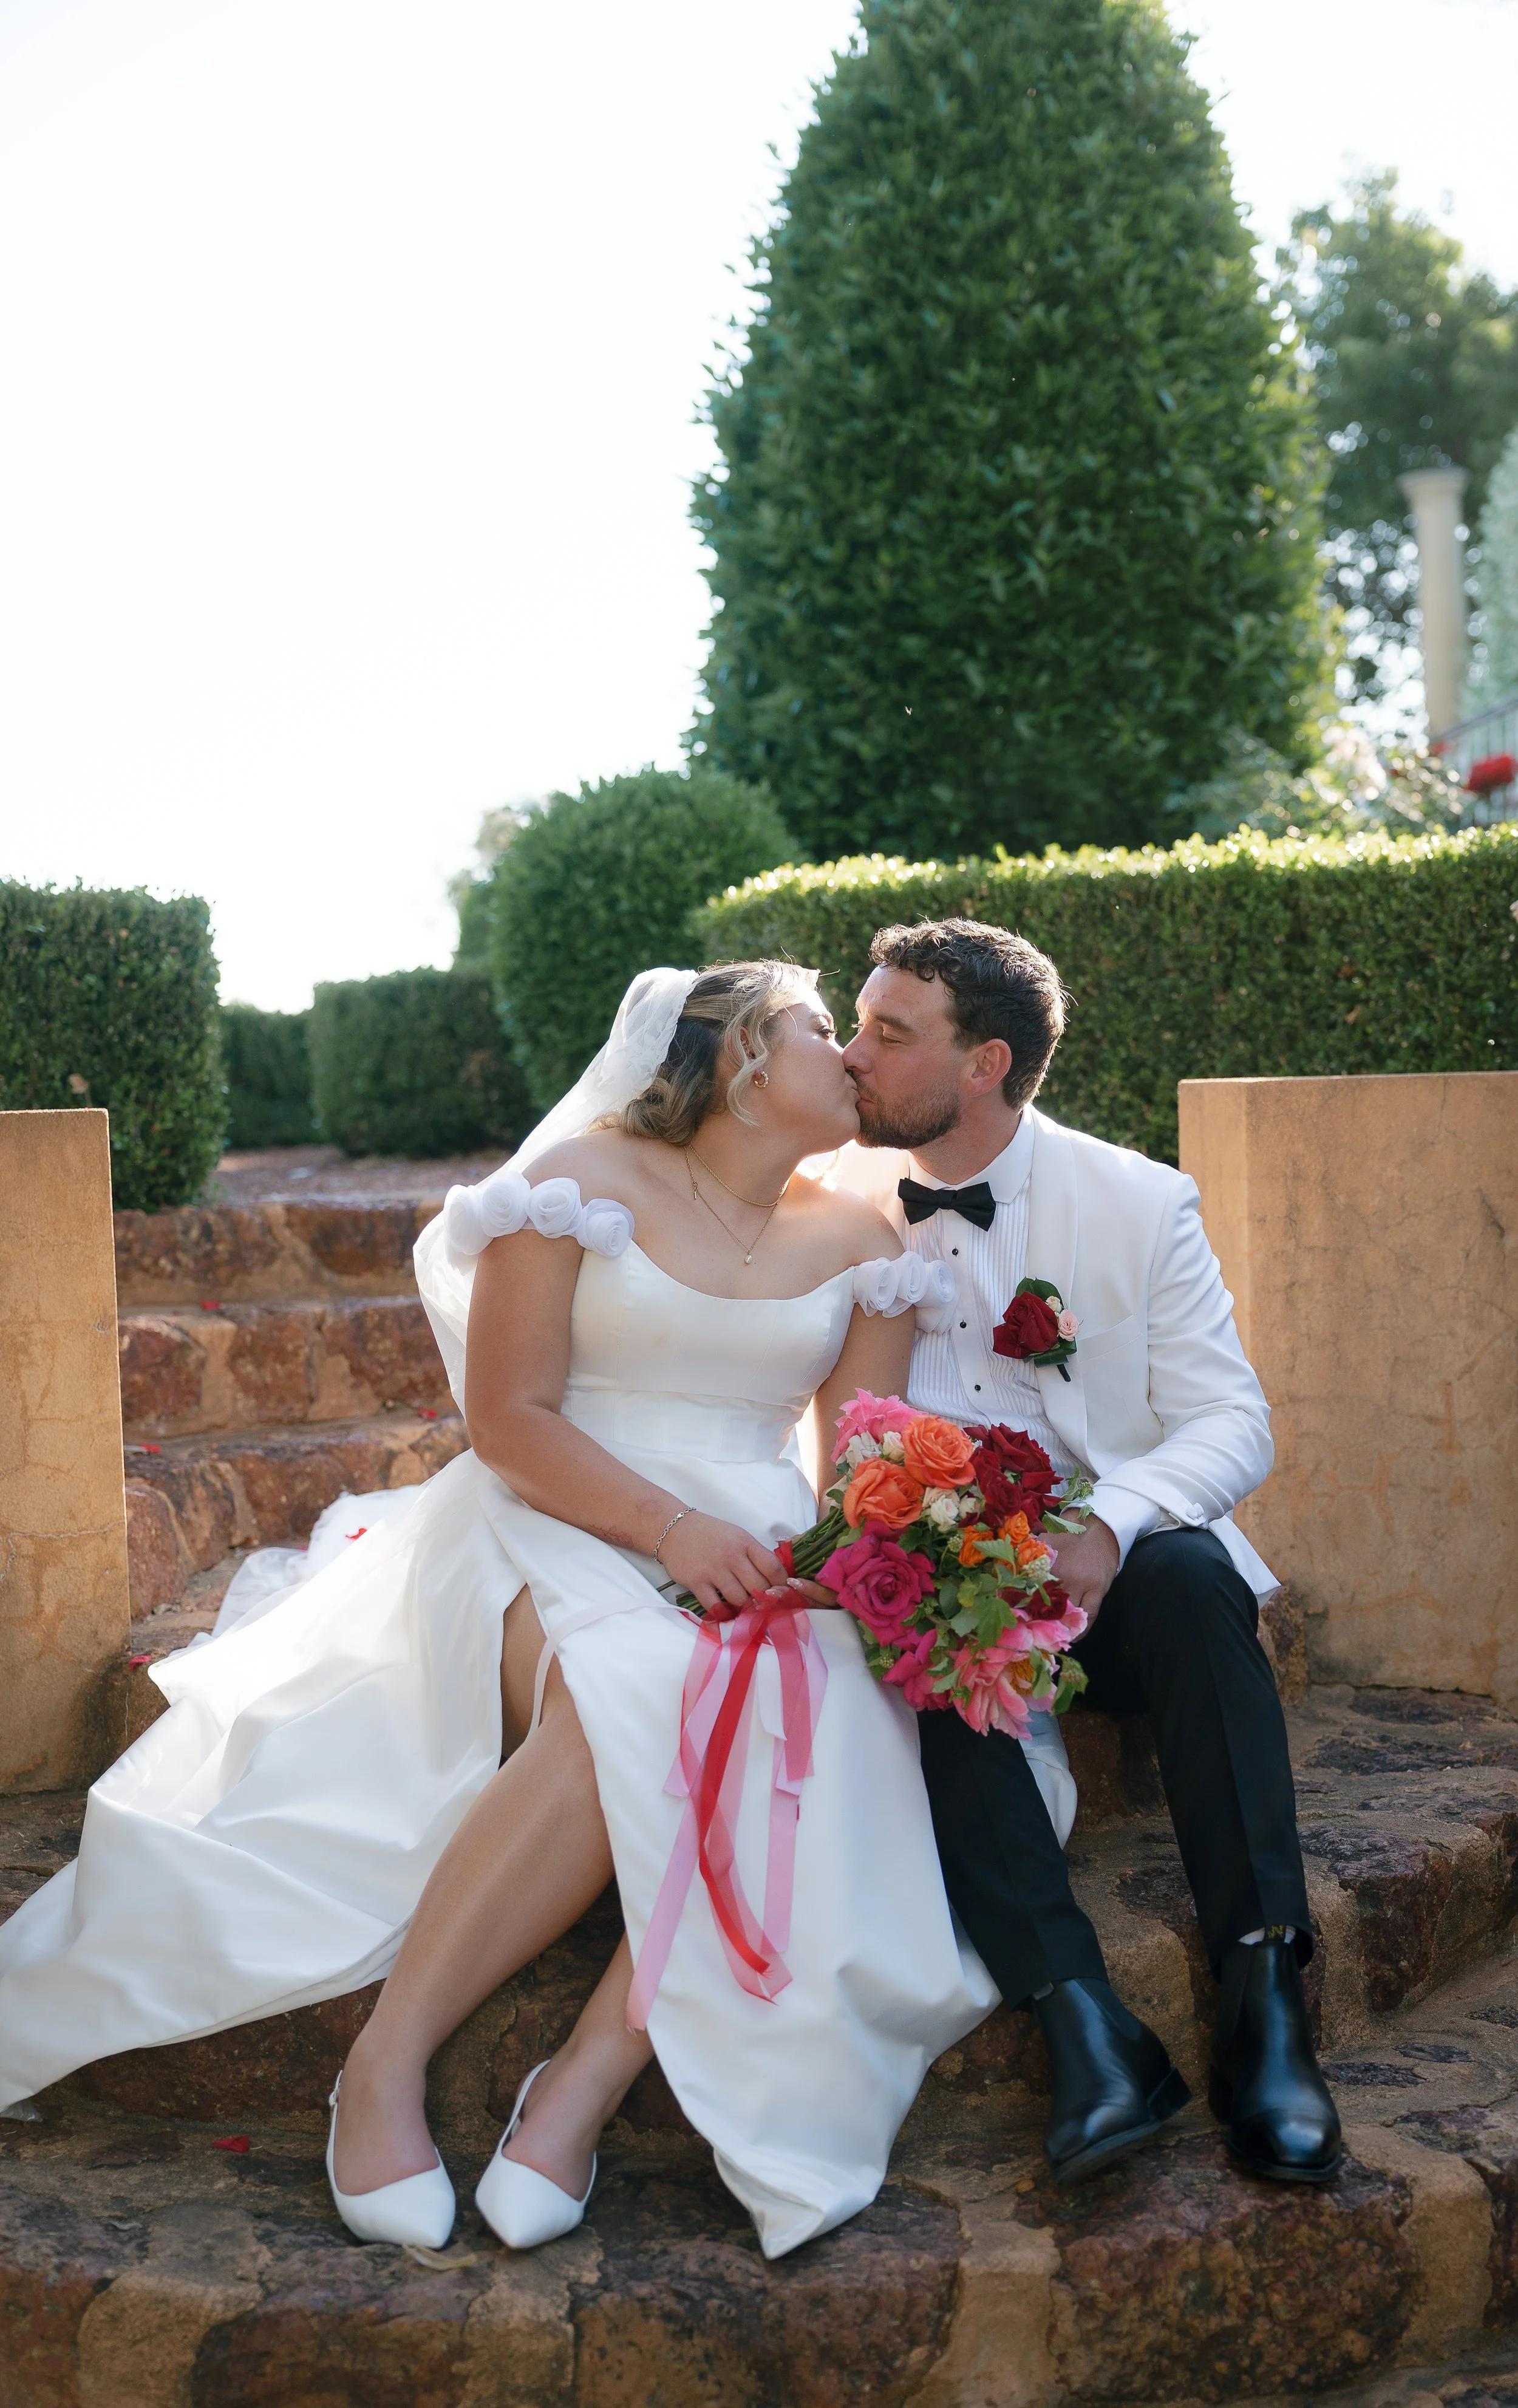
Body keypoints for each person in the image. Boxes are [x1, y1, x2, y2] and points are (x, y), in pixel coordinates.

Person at [0, 960, 1065, 2260]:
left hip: (759, 1547)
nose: (846, 1053)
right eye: (816, 1029)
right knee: (621, 1688)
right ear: (737, 1054)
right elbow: (508, 1418)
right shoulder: (577, 1184)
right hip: (552, 1513)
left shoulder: (865, 1241)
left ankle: (582, 2081)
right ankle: (383, 2065)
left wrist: (866, 1561)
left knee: (822, 1706)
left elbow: (859, 1462)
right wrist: (671, 1529)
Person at [832, 918, 1341, 2186]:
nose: (853, 1055)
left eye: (890, 1033)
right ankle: (1083, 2021)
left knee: (1188, 1573)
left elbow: (1233, 1417)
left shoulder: (1135, 1199)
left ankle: (1265, 1999)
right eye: (856, 1023)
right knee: (916, 1619)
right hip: (952, 1570)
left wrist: (1108, 1522)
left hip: (1107, 1580)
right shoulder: (829, 1201)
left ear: (985, 1061)